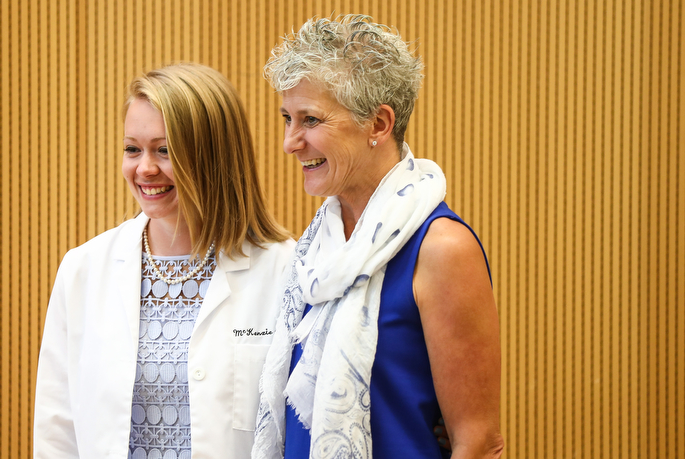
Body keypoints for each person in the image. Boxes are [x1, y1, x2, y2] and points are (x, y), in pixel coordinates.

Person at [253, 15, 504, 459]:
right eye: (287, 118)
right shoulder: (315, 251)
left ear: (379, 124)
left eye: (310, 120)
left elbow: (478, 442)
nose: (290, 142)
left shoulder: (442, 249)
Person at [34, 63, 295, 458]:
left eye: (165, 150)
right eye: (132, 149)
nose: (144, 169)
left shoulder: (283, 270)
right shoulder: (84, 270)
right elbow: (58, 429)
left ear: (214, 157)